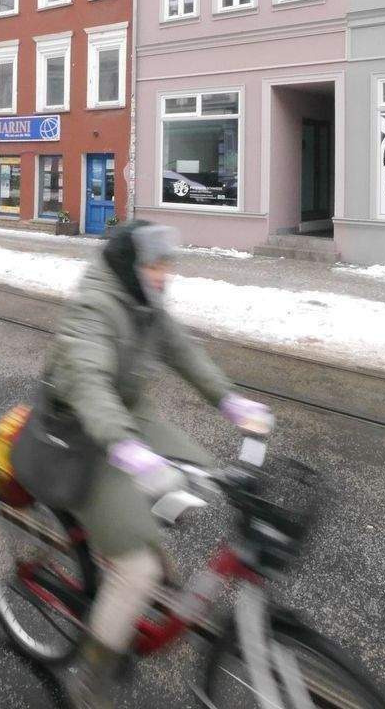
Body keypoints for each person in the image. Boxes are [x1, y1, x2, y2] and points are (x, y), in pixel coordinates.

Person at [43, 220, 271, 707]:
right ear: (131, 267)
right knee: (140, 570)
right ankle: (91, 679)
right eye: (155, 265)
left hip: (127, 417)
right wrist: (126, 449)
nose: (164, 274)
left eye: (167, 264)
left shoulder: (145, 302)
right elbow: (88, 382)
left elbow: (183, 351)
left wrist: (231, 401)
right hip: (82, 431)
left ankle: (127, 541)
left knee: (207, 479)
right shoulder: (94, 306)